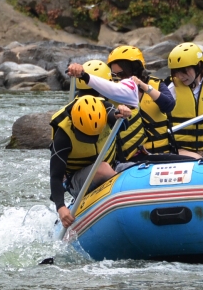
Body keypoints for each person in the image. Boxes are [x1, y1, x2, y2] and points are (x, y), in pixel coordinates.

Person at [65, 46, 176, 159]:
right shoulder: (112, 90)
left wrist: (144, 86)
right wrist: (80, 72)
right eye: (114, 75)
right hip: (133, 156)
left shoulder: (156, 84)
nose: (119, 79)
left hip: (160, 151)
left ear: (135, 70)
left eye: (122, 74)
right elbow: (90, 92)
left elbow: (169, 105)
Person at [49, 95, 120, 229]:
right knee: (102, 169)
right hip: (77, 181)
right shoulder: (63, 135)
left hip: (113, 168)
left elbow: (120, 119)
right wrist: (61, 207)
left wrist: (121, 113)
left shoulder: (107, 111)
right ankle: (121, 186)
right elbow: (55, 176)